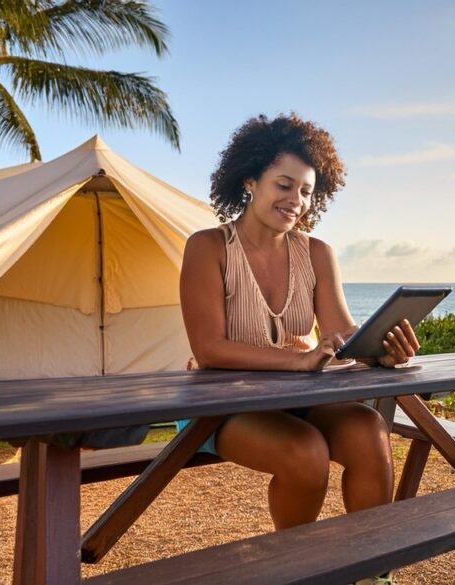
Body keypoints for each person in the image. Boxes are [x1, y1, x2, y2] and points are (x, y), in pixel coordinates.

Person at [178, 114, 417, 583]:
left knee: (369, 430)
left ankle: (371, 575)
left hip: (295, 399)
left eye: (306, 191)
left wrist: (379, 349)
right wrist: (299, 359)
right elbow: (208, 350)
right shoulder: (207, 248)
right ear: (250, 180)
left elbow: (340, 335)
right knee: (305, 452)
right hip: (217, 405)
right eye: (284, 185)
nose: (296, 201)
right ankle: (297, 574)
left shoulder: (318, 254)